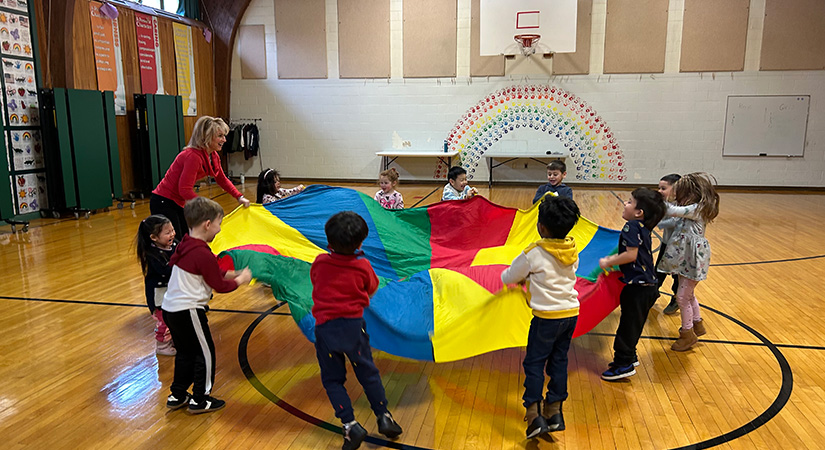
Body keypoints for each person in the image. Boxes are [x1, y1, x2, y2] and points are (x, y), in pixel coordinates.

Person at [311, 211, 403, 450]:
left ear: (328, 241)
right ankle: (384, 416)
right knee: (368, 373)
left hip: (326, 330)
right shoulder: (363, 266)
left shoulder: (320, 262)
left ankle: (351, 425)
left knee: (333, 380)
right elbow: (372, 289)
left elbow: (317, 281)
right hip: (353, 329)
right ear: (361, 243)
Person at [501, 196, 581, 439]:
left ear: (541, 227)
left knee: (534, 363)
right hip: (570, 314)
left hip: (546, 317)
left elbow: (509, 277)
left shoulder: (533, 253)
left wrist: (521, 278)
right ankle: (555, 410)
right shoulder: (572, 248)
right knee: (559, 360)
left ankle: (534, 413)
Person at [162, 197, 252, 414]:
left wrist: (235, 272)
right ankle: (200, 399)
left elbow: (211, 270)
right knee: (205, 353)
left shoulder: (187, 244)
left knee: (185, 352)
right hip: (189, 310)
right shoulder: (201, 252)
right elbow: (219, 285)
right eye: (219, 224)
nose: (220, 230)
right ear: (207, 224)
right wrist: (241, 280)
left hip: (171, 309)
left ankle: (178, 394)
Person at [599, 188, 666, 381]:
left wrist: (608, 262)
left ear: (639, 212)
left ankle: (623, 363)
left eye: (629, 202)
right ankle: (630, 356)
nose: (625, 204)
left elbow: (631, 255)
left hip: (638, 289)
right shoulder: (643, 228)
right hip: (648, 287)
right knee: (633, 325)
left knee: (627, 327)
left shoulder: (631, 227)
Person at [150, 116, 250, 238]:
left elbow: (222, 179)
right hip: (164, 201)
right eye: (220, 136)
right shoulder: (192, 156)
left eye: (224, 136)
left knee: (185, 239)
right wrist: (205, 206)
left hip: (178, 202)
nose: (224, 140)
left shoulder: (213, 156)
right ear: (206, 137)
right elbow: (184, 189)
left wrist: (239, 197)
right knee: (174, 241)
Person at [657, 173, 720, 351]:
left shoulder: (695, 209)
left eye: (681, 194)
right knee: (689, 294)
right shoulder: (691, 209)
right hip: (685, 258)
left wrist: (655, 200)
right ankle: (697, 324)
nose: (678, 197)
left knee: (682, 297)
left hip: (692, 259)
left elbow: (672, 211)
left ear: (691, 194)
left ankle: (687, 334)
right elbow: (672, 219)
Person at [135, 214, 178, 356]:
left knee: (175, 318)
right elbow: (166, 271)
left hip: (172, 291)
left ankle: (174, 340)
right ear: (154, 238)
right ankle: (162, 344)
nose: (172, 234)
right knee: (164, 321)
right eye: (168, 232)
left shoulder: (174, 244)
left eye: (172, 230)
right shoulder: (153, 255)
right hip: (159, 295)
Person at [656, 174, 682, 315]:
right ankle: (652, 294)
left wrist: (657, 223)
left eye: (663, 188)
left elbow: (675, 222)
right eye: (659, 187)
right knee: (658, 271)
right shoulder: (665, 203)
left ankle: (677, 298)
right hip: (666, 244)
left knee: (676, 275)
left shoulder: (682, 206)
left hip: (678, 247)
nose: (660, 190)